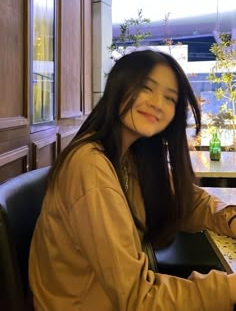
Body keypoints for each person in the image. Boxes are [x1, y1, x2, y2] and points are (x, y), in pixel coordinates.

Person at [29, 49, 236, 310]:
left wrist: (229, 217)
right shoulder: (91, 167)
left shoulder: (131, 156)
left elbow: (189, 203)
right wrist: (230, 287)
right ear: (118, 86)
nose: (157, 103)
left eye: (170, 98)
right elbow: (137, 298)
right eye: (146, 88)